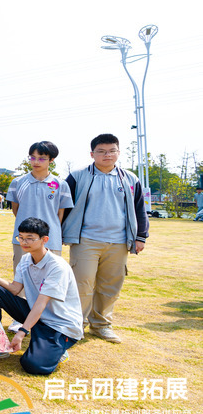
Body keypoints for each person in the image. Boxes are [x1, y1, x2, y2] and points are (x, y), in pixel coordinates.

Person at [61, 133, 149, 344]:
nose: (106, 155)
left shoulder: (130, 178)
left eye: (111, 151)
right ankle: (76, 324)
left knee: (110, 286)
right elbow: (62, 205)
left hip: (119, 241)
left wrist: (141, 237)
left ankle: (101, 325)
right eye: (101, 151)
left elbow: (139, 209)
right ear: (92, 154)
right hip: (85, 240)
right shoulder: (78, 176)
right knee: (82, 284)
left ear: (118, 153)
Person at [0, 218, 83, 375]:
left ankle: (58, 350)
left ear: (45, 240)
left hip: (59, 324)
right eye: (21, 237)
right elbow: (14, 289)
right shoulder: (25, 259)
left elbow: (41, 303)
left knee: (33, 366)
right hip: (38, 316)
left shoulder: (57, 267)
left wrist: (22, 331)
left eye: (30, 238)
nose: (24, 242)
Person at [6, 141, 73, 271]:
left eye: (42, 158)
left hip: (50, 239)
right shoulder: (17, 182)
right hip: (23, 239)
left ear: (51, 160)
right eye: (32, 157)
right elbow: (16, 210)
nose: (36, 162)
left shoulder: (61, 184)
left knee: (50, 277)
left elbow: (60, 214)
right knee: (22, 279)